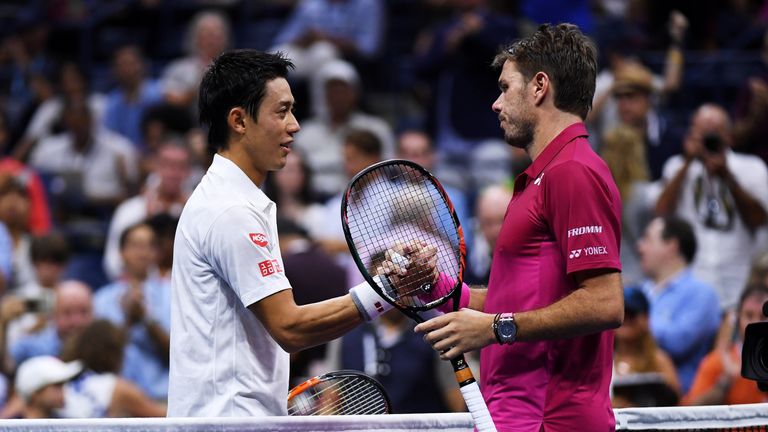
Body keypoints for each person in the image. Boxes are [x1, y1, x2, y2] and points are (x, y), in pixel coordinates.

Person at [167, 49, 429, 417]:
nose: (295, 124)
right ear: (239, 120)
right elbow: (289, 327)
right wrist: (385, 290)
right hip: (227, 421)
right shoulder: (230, 210)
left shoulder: (232, 200)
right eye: (281, 111)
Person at [414, 24, 624, 431]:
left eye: (505, 87)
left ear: (539, 87)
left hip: (548, 417)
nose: (495, 103)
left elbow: (604, 303)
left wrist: (495, 329)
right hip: (516, 414)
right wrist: (437, 287)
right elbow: (524, 299)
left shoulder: (572, 172)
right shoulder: (542, 177)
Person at [655, 103, 768, 310]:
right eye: (701, 134)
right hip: (694, 282)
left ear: (729, 136)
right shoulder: (676, 167)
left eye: (714, 134)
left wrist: (728, 178)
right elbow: (661, 211)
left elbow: (759, 219)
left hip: (738, 281)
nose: (708, 141)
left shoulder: (752, 168)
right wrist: (688, 161)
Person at [636, 216, 721, 393]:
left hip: (679, 405)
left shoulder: (702, 294)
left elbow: (678, 343)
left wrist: (635, 325)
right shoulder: (640, 290)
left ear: (671, 246)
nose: (640, 247)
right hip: (630, 395)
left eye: (648, 239)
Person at [683, 284, 768, 405]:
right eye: (749, 316)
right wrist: (726, 381)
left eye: (763, 317)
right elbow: (691, 413)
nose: (756, 323)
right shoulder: (717, 361)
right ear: (738, 319)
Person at [612, 286, 680, 408]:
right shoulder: (600, 361)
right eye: (621, 314)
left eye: (631, 314)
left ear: (645, 318)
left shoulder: (659, 360)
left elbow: (674, 404)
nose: (625, 320)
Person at [14, 355, 82, 419]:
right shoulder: (10, 427)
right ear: (35, 394)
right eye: (57, 385)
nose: (64, 391)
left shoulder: (67, 425)